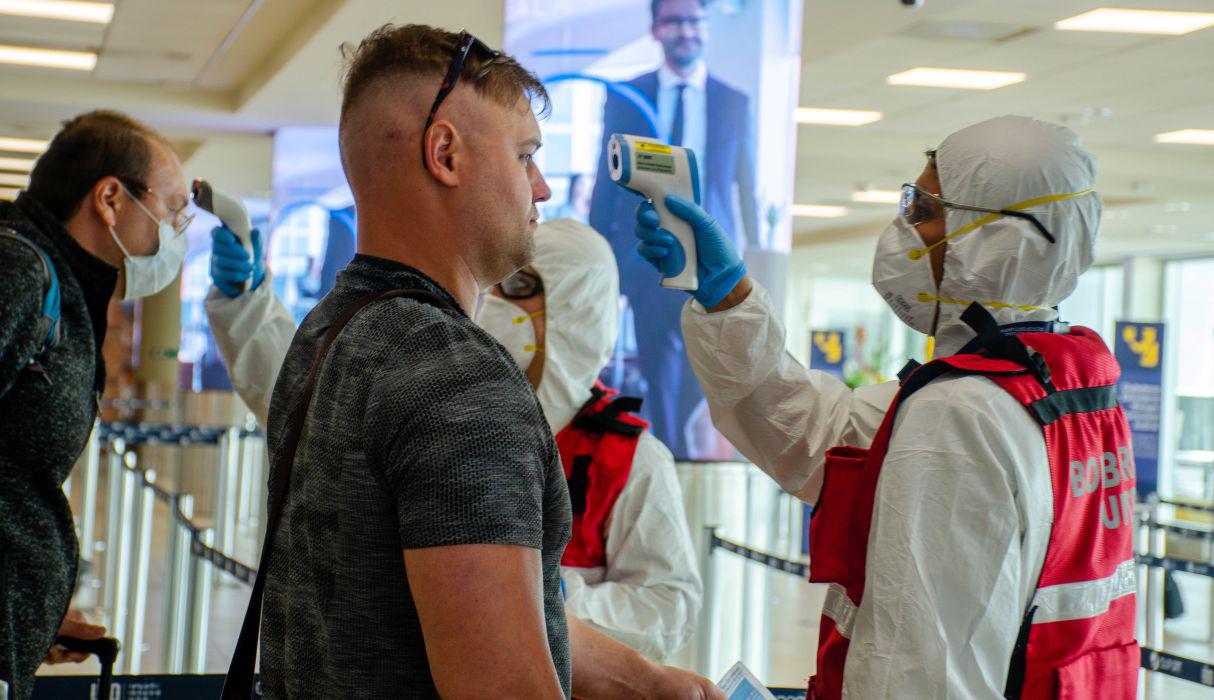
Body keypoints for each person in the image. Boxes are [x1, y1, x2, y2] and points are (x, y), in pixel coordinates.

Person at [221, 24, 720, 699]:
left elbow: (466, 617)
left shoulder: (329, 333)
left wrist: (652, 683)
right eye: (524, 156)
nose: (541, 188)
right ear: (446, 153)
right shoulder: (462, 382)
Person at [634, 115, 1139, 698]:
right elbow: (817, 433)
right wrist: (729, 297)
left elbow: (916, 671)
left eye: (924, 209)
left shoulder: (960, 413)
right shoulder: (1059, 393)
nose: (904, 226)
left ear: (994, 236)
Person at [209, 217, 703, 662]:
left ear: (576, 310)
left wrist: (550, 596)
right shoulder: (441, 406)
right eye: (497, 288)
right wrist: (247, 305)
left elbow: (668, 605)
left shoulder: (629, 461)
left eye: (521, 289)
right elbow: (310, 400)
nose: (498, 306)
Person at [0, 110, 189, 699]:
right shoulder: (19, 271)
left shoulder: (56, 279)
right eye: (175, 208)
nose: (177, 230)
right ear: (111, 198)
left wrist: (25, 614)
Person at [588, 0, 759, 457]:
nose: (686, 30)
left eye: (694, 21)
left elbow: (745, 185)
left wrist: (751, 253)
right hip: (647, 251)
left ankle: (678, 437)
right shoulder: (627, 95)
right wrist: (601, 254)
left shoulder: (734, 101)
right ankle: (667, 449)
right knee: (657, 358)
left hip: (711, 258)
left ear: (705, 28)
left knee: (702, 361)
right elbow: (606, 180)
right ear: (656, 30)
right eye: (675, 21)